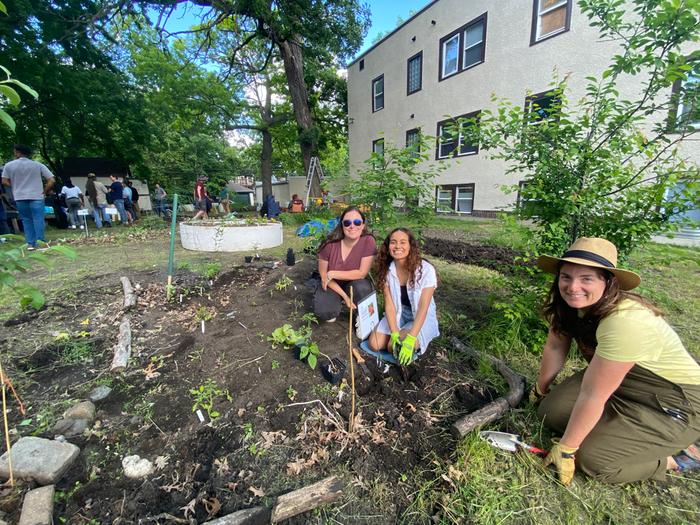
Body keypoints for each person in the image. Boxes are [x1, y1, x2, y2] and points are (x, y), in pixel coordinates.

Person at [531, 237, 700, 485]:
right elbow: (556, 346)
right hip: (620, 385)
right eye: (565, 276)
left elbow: (593, 395)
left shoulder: (625, 321)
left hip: (673, 402)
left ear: (608, 282)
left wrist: (567, 448)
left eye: (586, 278)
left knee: (594, 460)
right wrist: (540, 389)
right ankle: (617, 429)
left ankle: (680, 458)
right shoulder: (570, 304)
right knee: (550, 412)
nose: (572, 286)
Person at [367, 228, 439, 365]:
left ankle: (415, 339)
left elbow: (423, 308)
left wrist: (411, 337)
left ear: (410, 246)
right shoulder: (387, 270)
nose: (398, 246)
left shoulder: (426, 270)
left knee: (393, 348)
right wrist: (394, 333)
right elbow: (389, 304)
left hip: (420, 316)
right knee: (374, 344)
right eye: (393, 242)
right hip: (399, 313)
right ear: (388, 247)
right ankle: (399, 333)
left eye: (402, 242)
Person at [314, 206, 377, 323]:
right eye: (347, 223)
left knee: (362, 288)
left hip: (355, 282)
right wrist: (345, 297)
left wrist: (333, 273)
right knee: (326, 313)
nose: (352, 226)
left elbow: (361, 273)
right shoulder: (329, 245)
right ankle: (337, 302)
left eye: (357, 222)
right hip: (332, 284)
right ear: (342, 226)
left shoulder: (368, 241)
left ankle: (361, 317)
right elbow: (324, 277)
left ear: (363, 225)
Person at [1, 144, 55, 249]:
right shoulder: (37, 165)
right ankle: (41, 242)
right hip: (37, 195)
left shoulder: (9, 165)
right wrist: (44, 190)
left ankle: (30, 243)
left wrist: (15, 186)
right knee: (38, 219)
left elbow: (4, 181)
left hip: (20, 196)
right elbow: (51, 179)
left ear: (17, 152)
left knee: (26, 219)